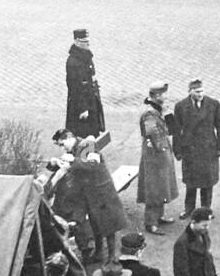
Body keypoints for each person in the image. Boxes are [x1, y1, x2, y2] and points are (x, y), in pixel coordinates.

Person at [51, 128, 125, 264]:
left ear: (69, 137)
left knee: (108, 225)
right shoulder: (76, 148)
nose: (62, 148)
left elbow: (92, 165)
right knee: (95, 223)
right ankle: (98, 253)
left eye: (62, 144)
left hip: (101, 191)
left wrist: (73, 160)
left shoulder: (87, 144)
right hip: (90, 193)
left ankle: (112, 257)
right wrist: (57, 164)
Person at [169, 78, 220, 218]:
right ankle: (189, 209)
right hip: (190, 149)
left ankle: (206, 210)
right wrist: (177, 150)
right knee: (191, 182)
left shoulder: (214, 104)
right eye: (197, 91)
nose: (200, 94)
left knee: (208, 182)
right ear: (190, 92)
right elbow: (177, 131)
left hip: (208, 149)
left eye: (202, 91)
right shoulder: (180, 106)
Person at [137, 80, 178, 235]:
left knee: (162, 186)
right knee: (154, 188)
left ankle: (159, 216)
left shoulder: (157, 109)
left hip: (160, 153)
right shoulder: (149, 113)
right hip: (154, 156)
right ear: (154, 96)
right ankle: (150, 222)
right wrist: (161, 148)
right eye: (161, 95)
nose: (164, 97)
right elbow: (151, 132)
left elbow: (171, 129)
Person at [65, 28, 104, 139]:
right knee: (83, 133)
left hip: (90, 100)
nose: (87, 44)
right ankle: (86, 154)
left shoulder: (86, 56)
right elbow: (75, 87)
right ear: (76, 42)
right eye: (84, 42)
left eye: (87, 42)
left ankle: (92, 153)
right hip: (80, 105)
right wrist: (82, 108)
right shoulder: (73, 62)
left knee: (93, 131)